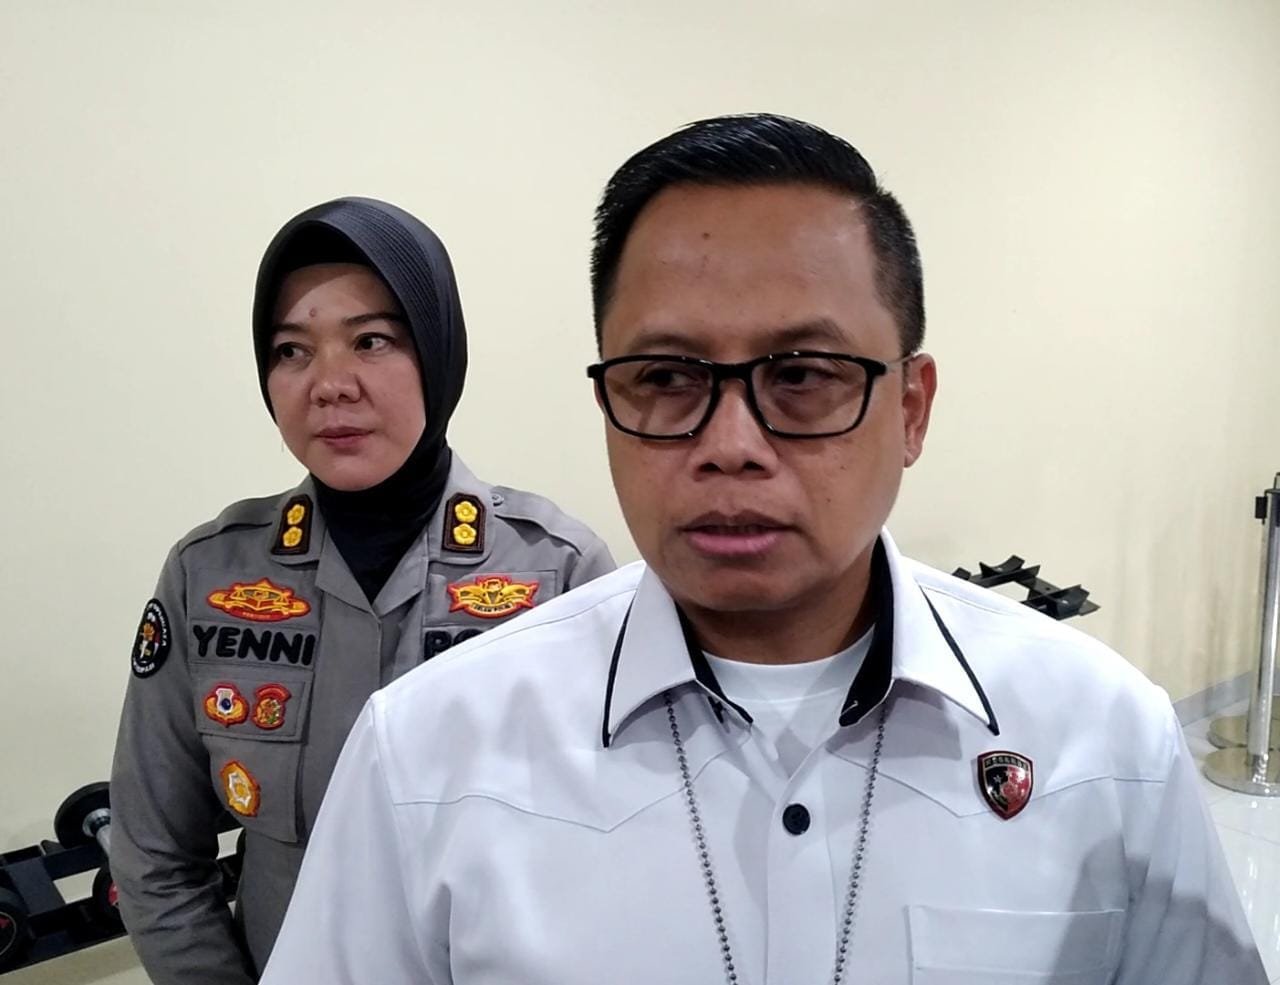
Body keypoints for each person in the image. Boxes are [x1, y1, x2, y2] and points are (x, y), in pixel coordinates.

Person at [259, 118, 1267, 984]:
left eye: (804, 375)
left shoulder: (1104, 743)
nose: (730, 445)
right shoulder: (428, 754)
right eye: (665, 377)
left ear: (911, 410)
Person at [109, 196, 615, 985]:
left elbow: (611, 854)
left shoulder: (559, 573)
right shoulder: (208, 575)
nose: (330, 385)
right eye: (291, 350)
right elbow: (154, 856)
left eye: (372, 340)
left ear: (438, 352)